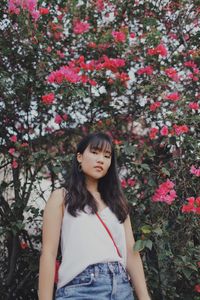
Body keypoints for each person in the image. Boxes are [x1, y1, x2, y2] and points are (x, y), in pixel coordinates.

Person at [38, 132, 151, 300]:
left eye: (107, 156)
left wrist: (144, 297)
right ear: (79, 157)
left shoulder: (117, 202)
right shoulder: (62, 197)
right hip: (81, 288)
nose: (101, 160)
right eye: (95, 152)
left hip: (121, 288)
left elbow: (130, 251)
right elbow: (48, 253)